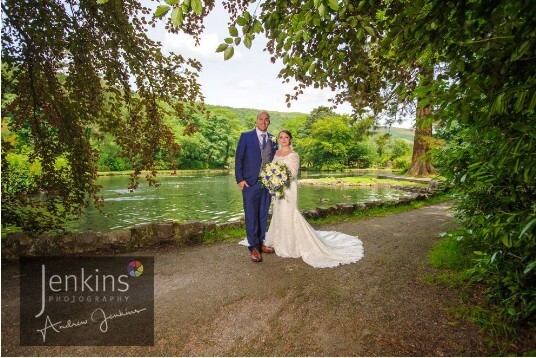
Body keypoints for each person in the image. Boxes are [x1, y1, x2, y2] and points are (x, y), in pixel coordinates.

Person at [264, 130, 364, 268]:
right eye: (281, 137)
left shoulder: (294, 155)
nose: (283, 139)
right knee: (279, 213)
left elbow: (293, 173)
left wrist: (281, 178)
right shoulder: (276, 154)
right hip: (278, 189)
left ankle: (291, 244)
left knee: (289, 213)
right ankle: (277, 241)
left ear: (290, 139)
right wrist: (273, 180)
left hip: (289, 188)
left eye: (286, 137)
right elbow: (272, 168)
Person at [235, 111, 278, 262]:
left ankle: (261, 242)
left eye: (266, 120)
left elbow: (276, 161)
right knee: (251, 215)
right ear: (256, 120)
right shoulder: (246, 136)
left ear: (269, 122)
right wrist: (240, 179)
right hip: (249, 183)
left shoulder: (273, 139)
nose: (263, 122)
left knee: (263, 214)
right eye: (261, 119)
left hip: (267, 183)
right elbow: (238, 158)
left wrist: (276, 179)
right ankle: (253, 247)